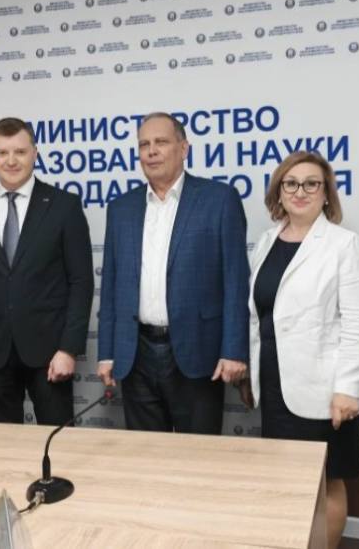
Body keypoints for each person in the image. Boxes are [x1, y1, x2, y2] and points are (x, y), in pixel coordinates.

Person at [242, 151, 359, 547]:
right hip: (275, 383)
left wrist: (347, 389)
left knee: (326, 481)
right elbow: (259, 316)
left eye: (311, 183)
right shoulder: (266, 242)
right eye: (291, 183)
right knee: (287, 479)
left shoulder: (344, 244)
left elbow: (357, 322)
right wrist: (250, 372)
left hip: (324, 387)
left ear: (326, 193)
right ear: (279, 192)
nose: (300, 191)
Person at [97, 112, 249, 434]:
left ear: (183, 148)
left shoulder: (219, 199)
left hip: (197, 351)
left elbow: (236, 281)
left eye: (161, 142)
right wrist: (107, 353)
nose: (151, 151)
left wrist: (234, 350)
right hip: (135, 354)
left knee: (199, 454)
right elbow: (111, 286)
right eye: (144, 145)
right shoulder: (121, 208)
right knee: (146, 454)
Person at [0, 117, 93, 425]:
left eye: (20, 152)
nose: (11, 161)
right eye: (2, 153)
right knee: (4, 444)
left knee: (57, 441)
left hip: (50, 354)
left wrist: (69, 349)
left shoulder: (64, 205)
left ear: (35, 153)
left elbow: (81, 282)